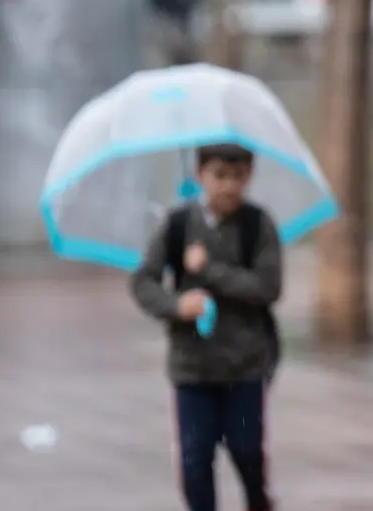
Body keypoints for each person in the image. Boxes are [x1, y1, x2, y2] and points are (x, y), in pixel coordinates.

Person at [130, 143, 283, 511]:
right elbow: (143, 281)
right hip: (192, 368)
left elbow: (267, 287)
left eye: (238, 176)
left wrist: (208, 270)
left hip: (244, 366)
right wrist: (176, 305)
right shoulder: (178, 226)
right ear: (200, 176)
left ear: (249, 176)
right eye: (219, 176)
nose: (229, 186)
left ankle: (258, 501)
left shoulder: (256, 225)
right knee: (195, 461)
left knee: (247, 451)